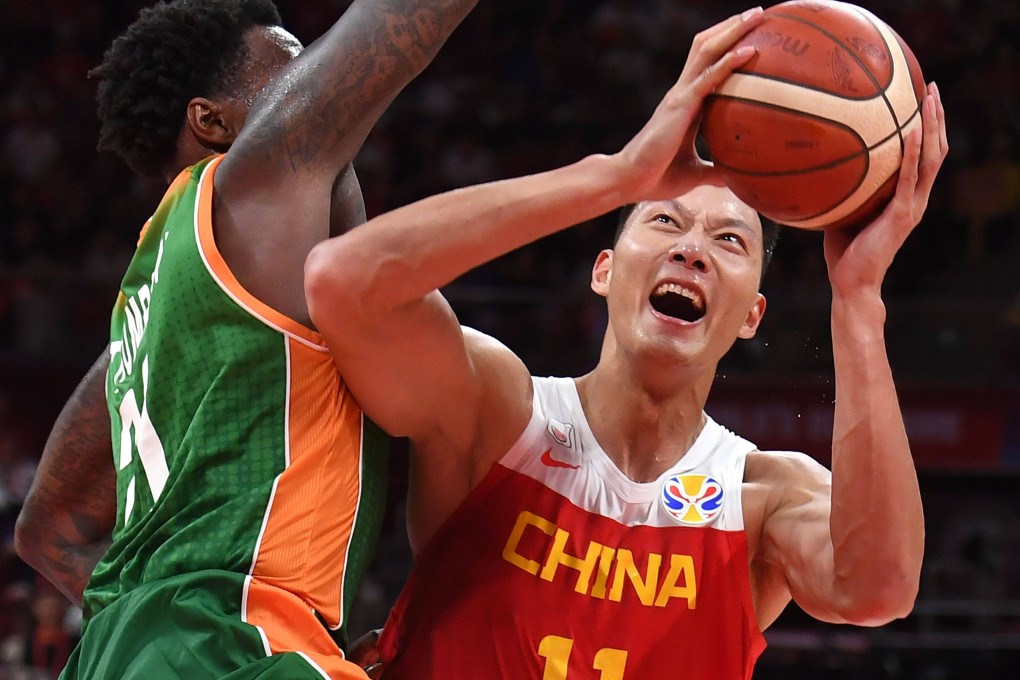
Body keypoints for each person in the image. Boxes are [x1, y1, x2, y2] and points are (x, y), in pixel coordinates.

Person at [303, 6, 949, 679]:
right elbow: (343, 283)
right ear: (604, 271)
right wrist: (614, 176)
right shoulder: (499, 415)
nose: (693, 250)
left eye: (730, 240)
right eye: (666, 220)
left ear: (753, 314)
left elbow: (879, 588)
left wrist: (857, 299)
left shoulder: (762, 496)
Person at [13, 0, 477, 677]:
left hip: (123, 652)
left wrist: (174, 626)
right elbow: (406, 19)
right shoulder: (251, 184)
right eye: (295, 70)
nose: (319, 87)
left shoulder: (149, 307)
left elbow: (46, 533)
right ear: (212, 121)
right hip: (225, 643)